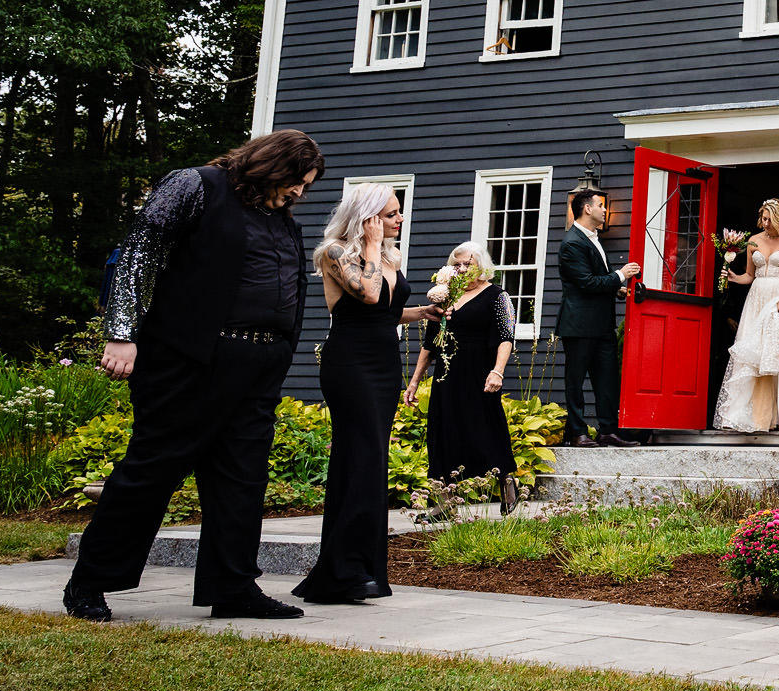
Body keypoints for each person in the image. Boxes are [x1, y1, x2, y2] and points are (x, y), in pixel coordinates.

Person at [63, 130, 327, 623]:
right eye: (295, 181)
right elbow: (136, 255)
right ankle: (90, 582)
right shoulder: (195, 185)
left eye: (305, 186)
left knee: (241, 479)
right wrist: (122, 332)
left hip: (260, 365)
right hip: (189, 360)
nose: (299, 193)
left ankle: (233, 588)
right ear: (270, 165)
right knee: (151, 472)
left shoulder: (279, 216)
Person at [293, 184, 439, 604]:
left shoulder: (387, 256)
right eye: (391, 214)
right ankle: (344, 572)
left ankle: (356, 570)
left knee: (372, 462)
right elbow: (368, 293)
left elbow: (386, 311)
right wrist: (372, 247)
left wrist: (421, 312)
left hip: (382, 365)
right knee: (359, 460)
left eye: (398, 213)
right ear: (368, 218)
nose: (400, 220)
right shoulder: (336, 253)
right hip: (350, 365)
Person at [405, 243, 520, 513]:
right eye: (457, 264)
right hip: (446, 375)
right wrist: (414, 381)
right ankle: (445, 502)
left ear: (482, 267)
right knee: (442, 433)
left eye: (468, 264)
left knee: (485, 430)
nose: (462, 269)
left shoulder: (497, 296)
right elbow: (429, 344)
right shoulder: (445, 298)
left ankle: (507, 482)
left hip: (480, 374)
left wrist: (497, 371)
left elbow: (506, 337)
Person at [714, 199, 779, 432]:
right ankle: (747, 416)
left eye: (769, 219)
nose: (764, 223)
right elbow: (750, 274)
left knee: (776, 351)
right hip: (756, 299)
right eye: (763, 218)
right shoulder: (754, 240)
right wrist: (735, 279)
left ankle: (778, 417)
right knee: (753, 355)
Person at [556, 187, 641, 447]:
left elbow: (595, 281)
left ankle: (608, 431)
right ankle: (578, 432)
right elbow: (586, 283)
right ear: (587, 208)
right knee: (576, 381)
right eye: (600, 205)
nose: (605, 209)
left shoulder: (594, 238)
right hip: (579, 325)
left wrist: (616, 288)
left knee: (607, 381)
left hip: (603, 325)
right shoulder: (571, 243)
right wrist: (620, 274)